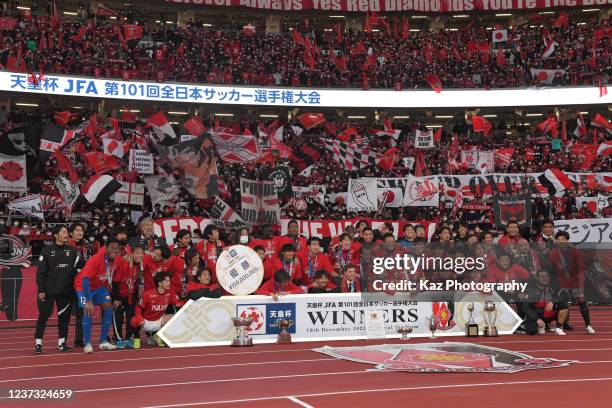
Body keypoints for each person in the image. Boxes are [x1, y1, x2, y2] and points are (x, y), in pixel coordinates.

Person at [34, 225, 84, 354]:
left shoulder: (73, 251)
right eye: (63, 232)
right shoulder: (46, 250)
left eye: (67, 232)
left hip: (66, 292)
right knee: (43, 317)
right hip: (48, 291)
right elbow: (41, 272)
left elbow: (82, 268)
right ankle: (38, 344)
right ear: (55, 235)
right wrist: (41, 289)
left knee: (64, 319)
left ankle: (61, 344)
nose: (66, 234)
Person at [74, 238, 123, 353]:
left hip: (99, 287)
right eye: (112, 248)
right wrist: (89, 301)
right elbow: (85, 280)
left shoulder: (118, 259)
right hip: (83, 286)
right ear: (105, 248)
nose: (114, 251)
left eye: (117, 249)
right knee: (88, 310)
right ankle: (87, 344)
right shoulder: (95, 259)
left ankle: (103, 341)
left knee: (108, 307)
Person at [548, 231, 596, 334]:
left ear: (567, 240)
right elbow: (551, 269)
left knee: (582, 302)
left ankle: (588, 325)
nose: (561, 241)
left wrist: (579, 282)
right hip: (561, 283)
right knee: (563, 304)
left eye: (563, 239)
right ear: (556, 241)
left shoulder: (574, 251)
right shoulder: (553, 253)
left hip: (575, 282)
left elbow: (581, 268)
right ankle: (559, 327)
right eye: (559, 240)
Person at [131, 272, 183, 347]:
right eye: (166, 281)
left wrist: (188, 303)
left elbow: (177, 303)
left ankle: (158, 336)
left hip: (159, 321)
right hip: (145, 322)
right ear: (160, 283)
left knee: (174, 317)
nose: (169, 283)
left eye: (169, 281)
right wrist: (140, 319)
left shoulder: (170, 293)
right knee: (134, 320)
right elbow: (138, 308)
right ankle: (136, 339)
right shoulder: (147, 294)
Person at [111, 245, 145, 349]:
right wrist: (116, 298)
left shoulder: (139, 265)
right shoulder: (124, 264)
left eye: (141, 253)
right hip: (119, 295)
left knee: (131, 317)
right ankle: (118, 338)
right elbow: (115, 282)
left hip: (130, 296)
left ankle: (129, 338)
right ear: (132, 254)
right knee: (118, 317)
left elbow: (136, 282)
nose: (140, 255)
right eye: (137, 253)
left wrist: (136, 297)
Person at [521, 270, 569, 336]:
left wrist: (553, 301)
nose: (544, 278)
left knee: (563, 304)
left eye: (546, 276)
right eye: (542, 276)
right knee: (531, 331)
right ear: (537, 278)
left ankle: (558, 327)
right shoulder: (532, 290)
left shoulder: (554, 287)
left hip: (550, 313)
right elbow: (525, 307)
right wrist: (537, 319)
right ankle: (541, 325)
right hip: (538, 314)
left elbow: (565, 296)